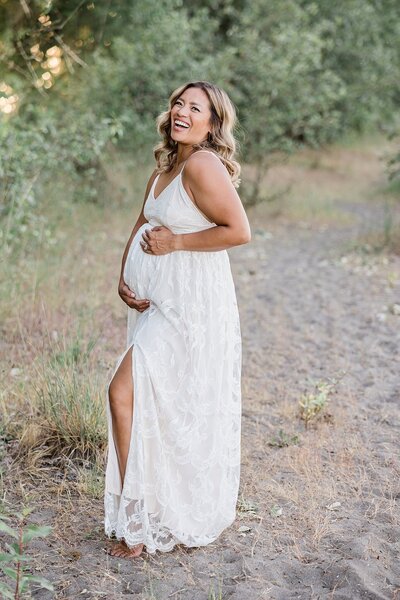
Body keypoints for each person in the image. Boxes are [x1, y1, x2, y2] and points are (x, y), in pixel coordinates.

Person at [104, 80, 251, 558]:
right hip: (157, 304)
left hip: (190, 309)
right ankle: (143, 515)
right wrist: (125, 276)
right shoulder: (168, 165)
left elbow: (239, 231)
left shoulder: (204, 164)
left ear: (212, 124)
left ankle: (137, 526)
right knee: (155, 404)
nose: (183, 112)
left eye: (196, 108)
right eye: (178, 104)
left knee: (123, 393)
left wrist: (177, 243)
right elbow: (141, 221)